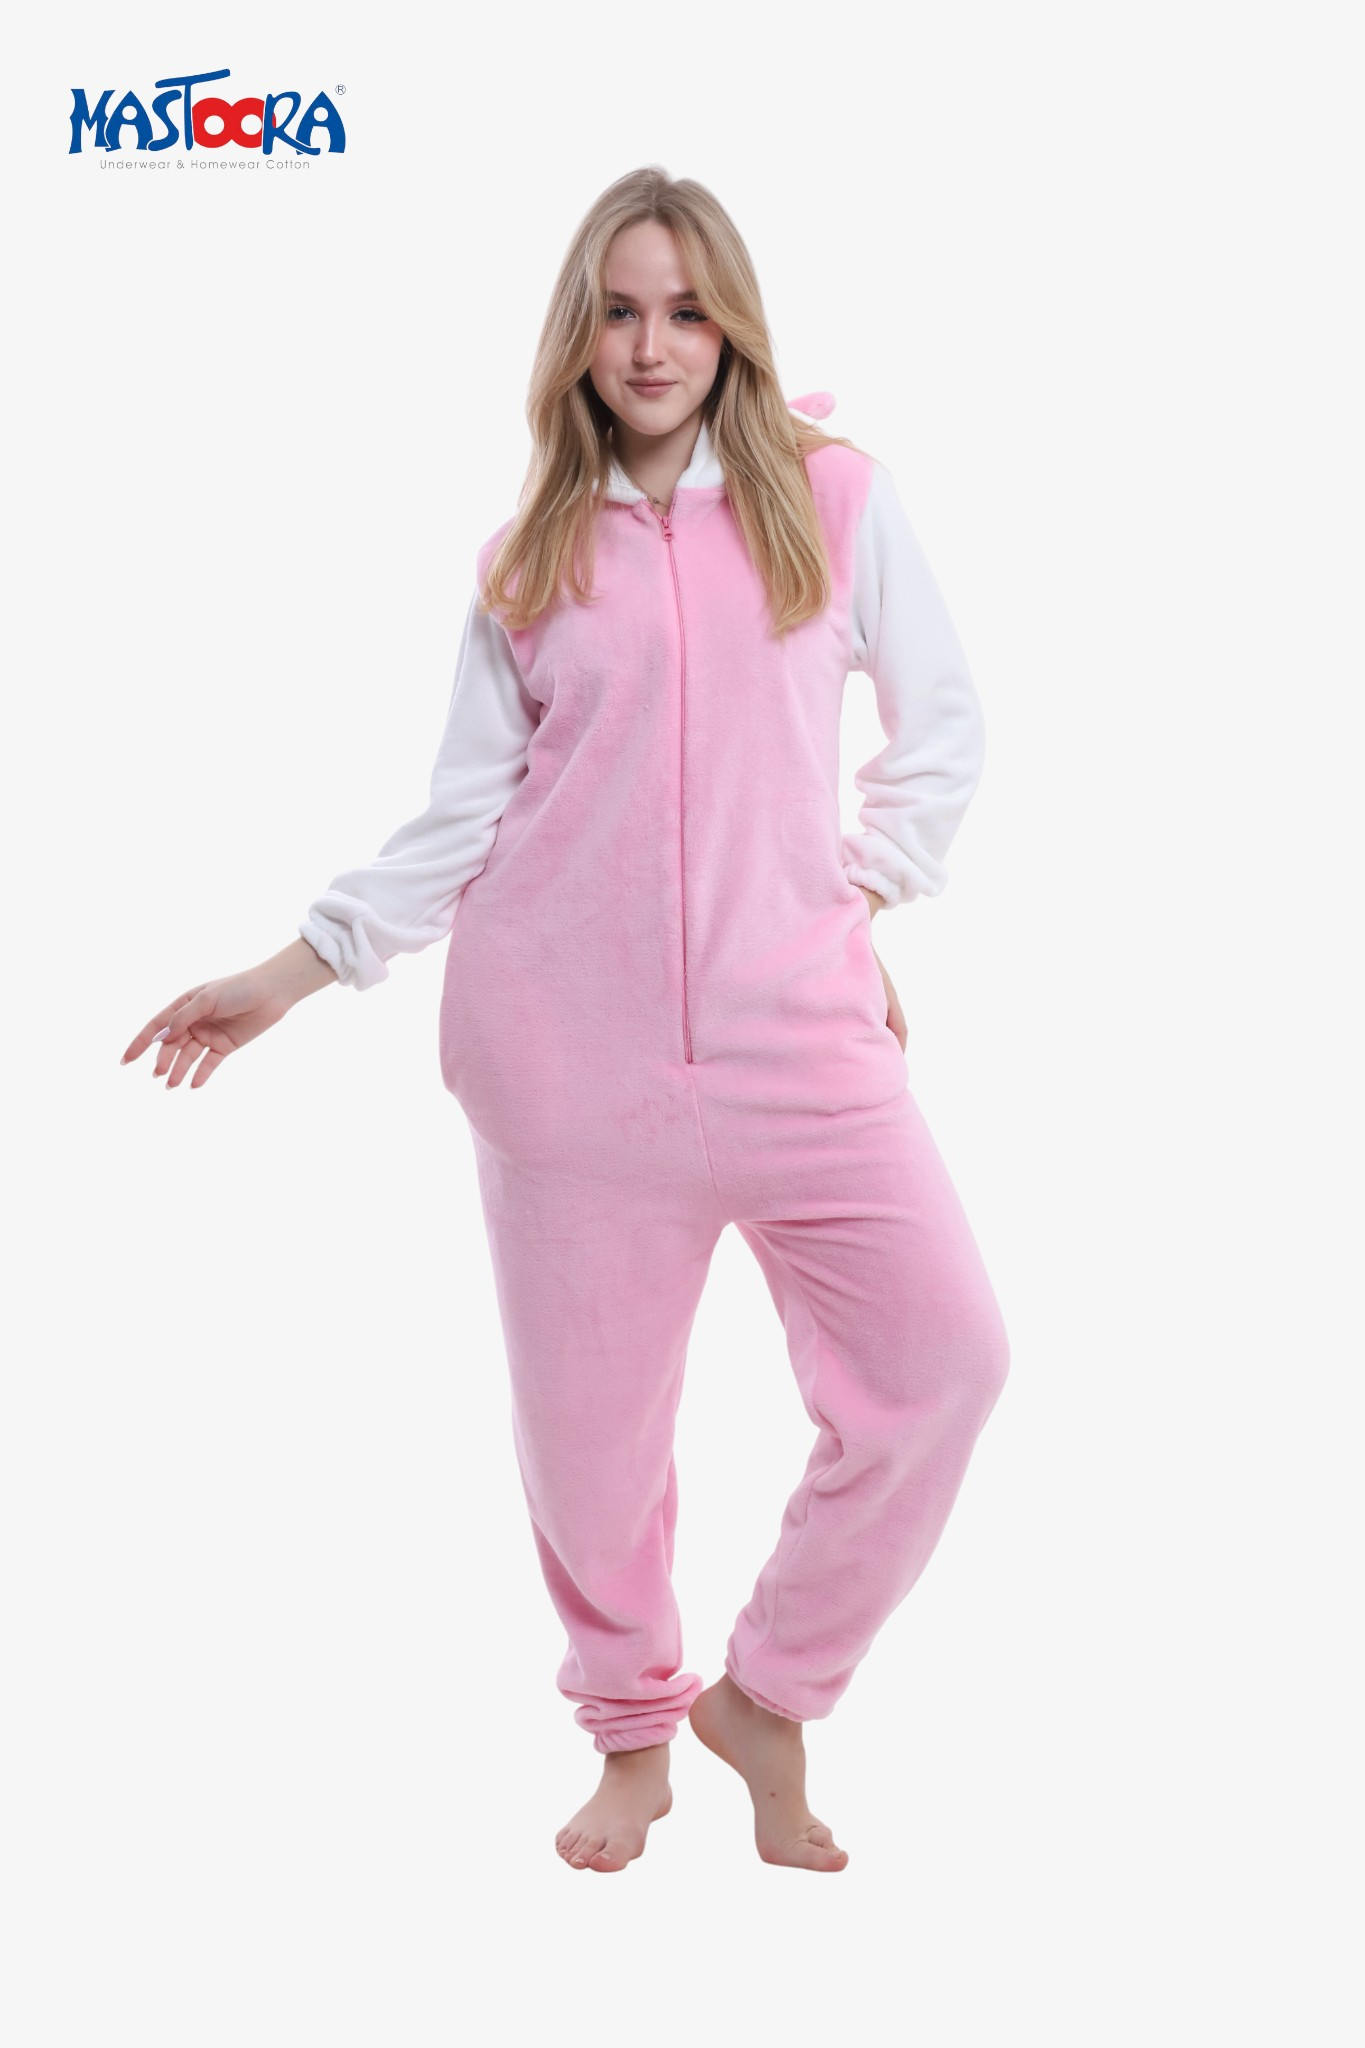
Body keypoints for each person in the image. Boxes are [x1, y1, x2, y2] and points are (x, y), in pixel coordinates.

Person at [120, 166, 1011, 1876]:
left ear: (733, 327)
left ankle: (771, 1694)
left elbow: (946, 726)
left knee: (947, 1362)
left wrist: (854, 895)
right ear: (576, 336)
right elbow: (465, 812)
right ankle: (631, 1736)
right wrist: (294, 969)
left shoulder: (832, 498)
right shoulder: (528, 555)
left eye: (686, 310)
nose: (652, 344)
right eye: (618, 311)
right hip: (565, 1061)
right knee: (593, 1456)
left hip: (799, 1041)